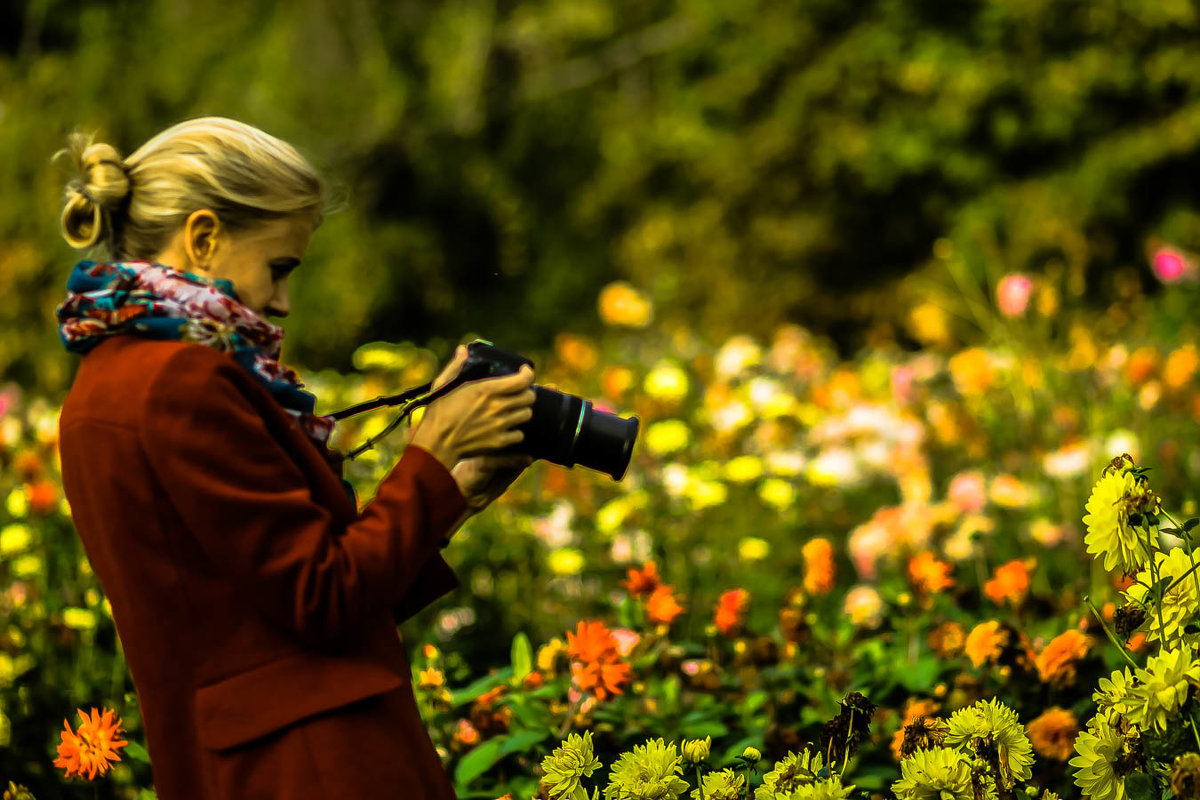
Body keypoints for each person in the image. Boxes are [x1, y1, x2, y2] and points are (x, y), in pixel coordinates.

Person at [54, 116, 535, 799]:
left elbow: (259, 613)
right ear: (203, 237)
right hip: (312, 763)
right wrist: (431, 454)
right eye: (279, 268)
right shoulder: (183, 381)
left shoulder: (101, 384)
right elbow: (322, 598)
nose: (281, 304)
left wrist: (452, 491)